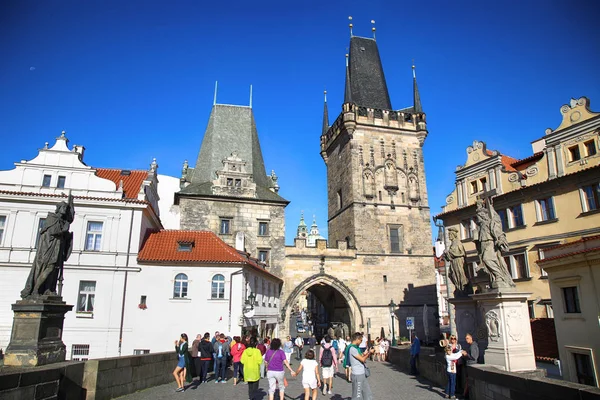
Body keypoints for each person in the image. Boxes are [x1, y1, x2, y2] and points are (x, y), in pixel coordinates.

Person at [348, 332, 374, 400]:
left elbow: (361, 356)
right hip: (357, 375)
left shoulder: (356, 348)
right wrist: (369, 353)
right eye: (361, 340)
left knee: (367, 393)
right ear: (357, 339)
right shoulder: (352, 349)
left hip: (362, 373)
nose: (361, 342)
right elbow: (362, 359)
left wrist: (366, 352)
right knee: (357, 395)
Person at [462, 333, 480, 398]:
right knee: (468, 381)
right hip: (469, 364)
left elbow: (474, 357)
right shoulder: (471, 345)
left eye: (467, 338)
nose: (466, 340)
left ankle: (466, 395)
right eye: (466, 338)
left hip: (472, 364)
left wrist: (466, 354)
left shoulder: (473, 346)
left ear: (471, 338)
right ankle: (466, 394)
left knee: (469, 381)